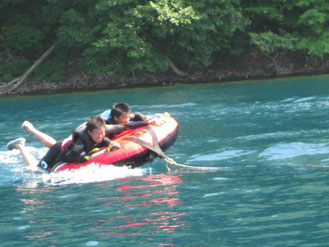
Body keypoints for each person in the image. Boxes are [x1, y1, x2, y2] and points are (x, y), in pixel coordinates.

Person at [7, 116, 118, 172]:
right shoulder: (80, 142)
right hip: (58, 152)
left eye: (103, 133)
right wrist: (81, 159)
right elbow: (65, 157)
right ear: (89, 132)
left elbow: (101, 139)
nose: (101, 136)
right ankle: (20, 145)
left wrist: (109, 142)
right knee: (35, 169)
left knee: (56, 144)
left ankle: (31, 129)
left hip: (63, 145)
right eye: (98, 134)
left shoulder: (96, 132)